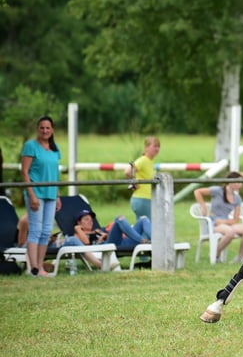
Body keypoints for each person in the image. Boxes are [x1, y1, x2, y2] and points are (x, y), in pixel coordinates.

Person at [20, 116, 62, 277]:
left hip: (51, 194)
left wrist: (58, 195)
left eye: (48, 128)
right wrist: (31, 196)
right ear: (38, 129)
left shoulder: (55, 148)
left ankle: (40, 267)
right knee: (36, 230)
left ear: (52, 130)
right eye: (42, 128)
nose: (45, 131)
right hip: (36, 193)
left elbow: (55, 174)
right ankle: (33, 268)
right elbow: (24, 172)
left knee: (46, 231)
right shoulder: (30, 146)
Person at [61, 209, 151, 270]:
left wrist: (104, 235)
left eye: (91, 219)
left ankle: (155, 242)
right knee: (119, 219)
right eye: (86, 219)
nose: (90, 221)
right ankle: (143, 241)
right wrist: (78, 229)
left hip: (122, 242)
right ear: (79, 222)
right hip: (109, 246)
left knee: (143, 219)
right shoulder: (77, 234)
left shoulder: (98, 231)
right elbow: (86, 243)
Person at [193, 171, 243, 263]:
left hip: (226, 222)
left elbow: (236, 219)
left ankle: (239, 258)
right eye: (238, 182)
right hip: (213, 222)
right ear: (231, 182)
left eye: (241, 182)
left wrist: (224, 222)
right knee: (230, 232)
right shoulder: (217, 190)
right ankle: (216, 254)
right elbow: (197, 192)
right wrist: (203, 206)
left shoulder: (237, 198)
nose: (240, 184)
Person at [125, 136, 161, 221]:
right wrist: (134, 182)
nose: (157, 149)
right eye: (154, 146)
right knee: (149, 228)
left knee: (141, 227)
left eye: (158, 146)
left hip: (142, 199)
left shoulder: (150, 161)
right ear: (146, 147)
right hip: (143, 199)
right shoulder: (143, 160)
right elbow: (128, 171)